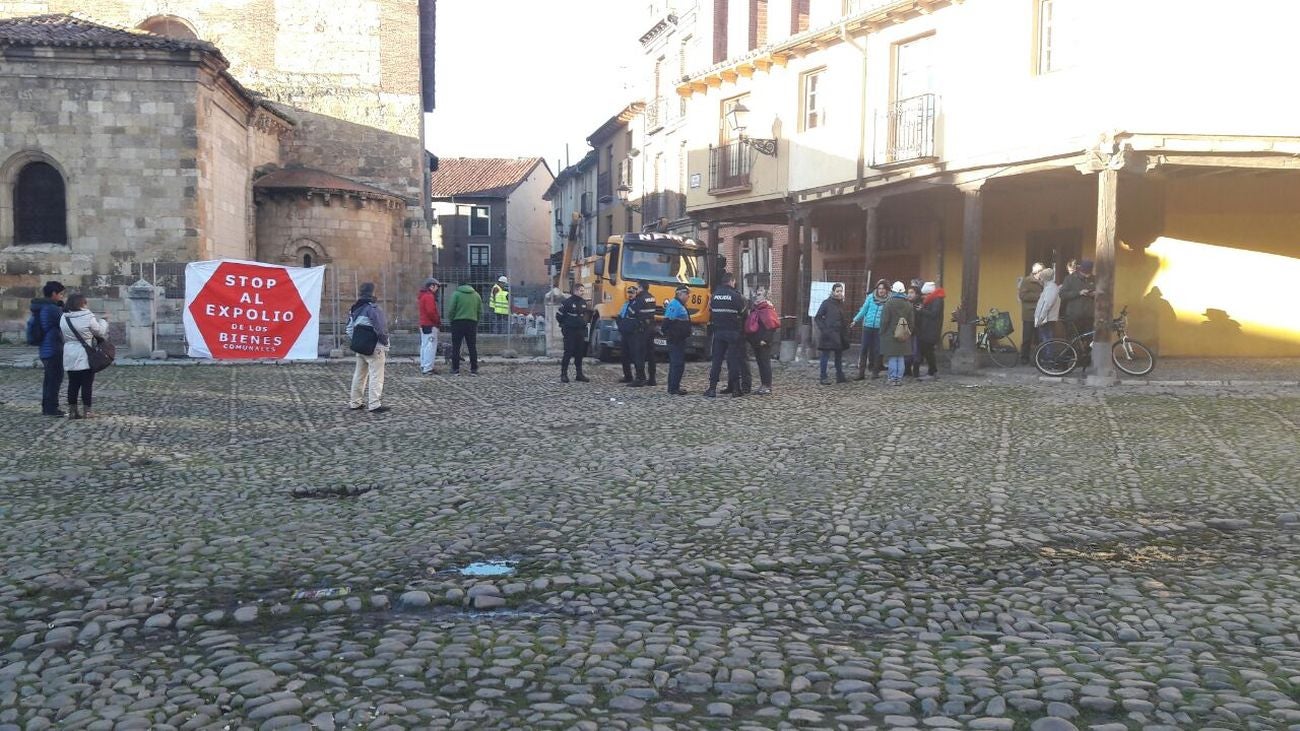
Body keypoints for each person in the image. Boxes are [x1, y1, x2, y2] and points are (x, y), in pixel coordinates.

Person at [59, 293, 109, 419]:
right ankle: (87, 411)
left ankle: (72, 411)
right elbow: (100, 331)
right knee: (87, 383)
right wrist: (104, 320)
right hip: (85, 353)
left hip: (69, 351)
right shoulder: (88, 316)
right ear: (82, 303)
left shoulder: (64, 317)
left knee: (73, 383)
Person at [346, 283, 390, 413]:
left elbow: (349, 328)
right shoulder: (374, 309)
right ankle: (374, 404)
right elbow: (381, 329)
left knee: (359, 375)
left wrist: (359, 340)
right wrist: (386, 343)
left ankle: (355, 402)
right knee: (376, 375)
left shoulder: (354, 309)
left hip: (360, 347)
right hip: (375, 347)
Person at [704, 271, 746, 398]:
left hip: (718, 332)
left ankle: (712, 389)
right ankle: (736, 389)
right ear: (732, 281)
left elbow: (710, 311)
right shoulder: (736, 296)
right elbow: (743, 313)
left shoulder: (714, 296)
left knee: (716, 361)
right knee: (733, 361)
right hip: (733, 332)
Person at [30, 280, 67, 416]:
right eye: (61, 294)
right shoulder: (51, 309)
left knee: (49, 379)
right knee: (55, 379)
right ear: (53, 294)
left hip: (45, 348)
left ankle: (47, 407)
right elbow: (64, 322)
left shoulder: (40, 307)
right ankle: (51, 408)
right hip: (53, 348)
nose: (62, 296)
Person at [879, 281, 916, 386]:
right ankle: (899, 379)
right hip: (903, 334)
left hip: (890, 334)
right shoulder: (908, 304)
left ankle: (892, 378)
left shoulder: (889, 304)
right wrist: (909, 332)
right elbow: (912, 322)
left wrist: (882, 332)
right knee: (900, 358)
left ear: (893, 290)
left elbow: (884, 321)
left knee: (892, 357)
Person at [851, 280, 889, 380]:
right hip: (867, 327)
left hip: (879, 328)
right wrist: (855, 320)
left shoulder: (889, 300)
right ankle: (861, 373)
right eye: (879, 288)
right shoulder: (870, 297)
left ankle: (875, 372)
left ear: (886, 290)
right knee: (864, 349)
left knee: (877, 350)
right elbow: (864, 310)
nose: (881, 291)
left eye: (883, 289)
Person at [745, 287, 780, 395]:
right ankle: (763, 384)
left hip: (763, 341)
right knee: (760, 363)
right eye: (756, 294)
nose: (757, 296)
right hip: (756, 340)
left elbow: (771, 326)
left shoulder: (767, 309)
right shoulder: (756, 308)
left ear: (765, 296)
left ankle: (767, 385)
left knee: (765, 363)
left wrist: (765, 339)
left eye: (759, 294)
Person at [557, 282, 593, 383]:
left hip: (580, 331)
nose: (583, 292)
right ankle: (564, 374)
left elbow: (585, 315)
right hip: (570, 331)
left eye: (583, 291)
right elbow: (559, 316)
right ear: (575, 291)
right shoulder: (567, 302)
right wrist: (564, 325)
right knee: (568, 352)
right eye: (581, 291)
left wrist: (584, 325)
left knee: (579, 353)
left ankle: (579, 374)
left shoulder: (583, 302)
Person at [625, 280, 659, 387]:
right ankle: (652, 379)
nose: (636, 289)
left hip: (642, 329)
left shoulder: (639, 299)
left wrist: (632, 302)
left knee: (639, 353)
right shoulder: (652, 297)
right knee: (651, 354)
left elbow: (631, 312)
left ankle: (640, 378)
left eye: (637, 287)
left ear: (640, 288)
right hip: (651, 328)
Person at [814, 282, 849, 385]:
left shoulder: (841, 303)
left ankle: (840, 376)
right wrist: (824, 329)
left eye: (841, 291)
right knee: (825, 356)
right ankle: (823, 377)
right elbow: (818, 317)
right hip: (828, 334)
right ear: (833, 292)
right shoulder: (826, 303)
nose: (839, 293)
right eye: (837, 291)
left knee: (838, 356)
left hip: (839, 334)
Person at [662, 285, 692, 395]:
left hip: (679, 338)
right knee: (677, 364)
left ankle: (673, 387)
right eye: (687, 294)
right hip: (675, 339)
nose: (688, 296)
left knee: (677, 363)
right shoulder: (675, 304)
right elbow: (666, 322)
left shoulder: (680, 304)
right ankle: (674, 388)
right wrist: (671, 334)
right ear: (680, 294)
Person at [448, 282, 482, 375]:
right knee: (472, 346)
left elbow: (451, 309)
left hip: (457, 322)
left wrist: (451, 319)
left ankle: (455, 369)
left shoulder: (456, 294)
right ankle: (474, 369)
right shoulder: (476, 295)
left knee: (456, 346)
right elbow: (480, 310)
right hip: (472, 322)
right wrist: (476, 320)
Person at [1060, 259, 1096, 340]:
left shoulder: (1094, 279)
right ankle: (1071, 353)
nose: (1087, 276)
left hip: (1089, 316)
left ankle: (1085, 352)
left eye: (1089, 273)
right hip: (1073, 316)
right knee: (1073, 340)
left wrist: (1094, 294)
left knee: (1089, 341)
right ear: (1080, 270)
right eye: (1085, 274)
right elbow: (1062, 294)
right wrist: (1079, 293)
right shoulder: (1070, 278)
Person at [1018, 263, 1045, 363]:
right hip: (1029, 314)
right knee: (1027, 338)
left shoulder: (1044, 281)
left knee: (1039, 338)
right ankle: (1024, 358)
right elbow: (1023, 296)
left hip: (1041, 313)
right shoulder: (1027, 281)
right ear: (1036, 272)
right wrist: (1039, 296)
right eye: (1041, 271)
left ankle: (1037, 359)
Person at [917, 281, 945, 379]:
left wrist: (922, 310)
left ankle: (932, 372)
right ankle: (932, 371)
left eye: (924, 294)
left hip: (931, 330)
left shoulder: (936, 300)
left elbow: (934, 314)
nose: (923, 297)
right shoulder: (934, 300)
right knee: (928, 351)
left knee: (928, 351)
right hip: (929, 330)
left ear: (929, 293)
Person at [1033, 267, 1061, 358]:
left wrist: (1040, 318)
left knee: (1046, 340)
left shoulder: (1051, 288)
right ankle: (1046, 360)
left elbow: (1046, 305)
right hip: (1045, 318)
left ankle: (1049, 360)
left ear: (1044, 278)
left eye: (1041, 277)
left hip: (1046, 319)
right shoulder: (1049, 287)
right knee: (1045, 339)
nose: (1040, 279)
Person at [417, 277, 442, 375]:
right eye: (436, 286)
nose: (437, 289)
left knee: (424, 345)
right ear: (432, 286)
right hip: (430, 324)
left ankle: (424, 365)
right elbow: (431, 312)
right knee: (430, 346)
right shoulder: (429, 296)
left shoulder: (423, 296)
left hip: (424, 324)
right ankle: (428, 367)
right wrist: (437, 321)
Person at [616, 285, 638, 382]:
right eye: (629, 292)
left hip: (633, 334)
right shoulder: (626, 304)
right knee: (624, 355)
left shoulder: (637, 304)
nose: (630, 294)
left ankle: (638, 376)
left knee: (635, 355)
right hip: (625, 333)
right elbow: (620, 315)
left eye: (632, 293)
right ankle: (627, 376)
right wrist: (621, 326)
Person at [905, 284, 923, 378]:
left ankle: (916, 371)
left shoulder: (920, 304)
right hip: (907, 331)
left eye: (912, 292)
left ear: (916, 294)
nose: (909, 294)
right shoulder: (906, 303)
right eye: (908, 292)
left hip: (917, 331)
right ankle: (907, 370)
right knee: (907, 352)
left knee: (916, 352)